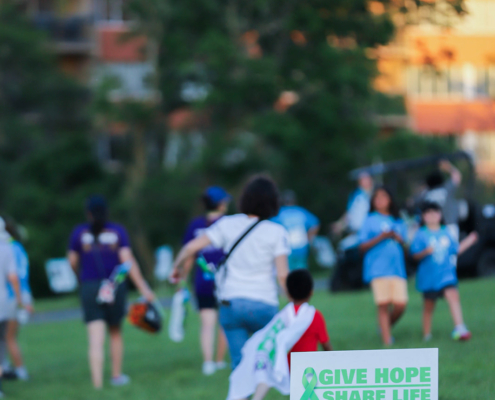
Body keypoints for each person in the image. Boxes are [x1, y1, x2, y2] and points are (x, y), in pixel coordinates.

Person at [171, 175, 291, 369]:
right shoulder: (277, 232)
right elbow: (283, 275)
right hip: (264, 303)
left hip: (231, 304)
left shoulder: (228, 224)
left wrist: (176, 268)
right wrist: (294, 303)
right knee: (270, 364)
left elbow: (190, 248)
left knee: (241, 368)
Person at [68, 196, 156, 389]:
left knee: (95, 337)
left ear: (88, 213)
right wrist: (143, 287)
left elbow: (72, 261)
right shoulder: (118, 231)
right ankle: (116, 376)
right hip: (114, 286)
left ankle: (97, 384)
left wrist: (80, 278)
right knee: (115, 332)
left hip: (89, 287)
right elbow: (127, 261)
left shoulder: (79, 233)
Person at [227, 269, 331, 400]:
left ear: (288, 293)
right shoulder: (314, 316)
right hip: (309, 369)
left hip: (288, 369)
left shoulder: (283, 317)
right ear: (311, 292)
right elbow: (326, 344)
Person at [179, 187, 230, 376]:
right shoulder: (228, 223)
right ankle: (219, 361)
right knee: (224, 322)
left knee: (207, 324)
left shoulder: (195, 225)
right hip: (225, 281)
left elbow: (189, 255)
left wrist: (182, 279)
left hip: (202, 282)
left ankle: (208, 363)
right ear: (221, 203)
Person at [410, 202, 477, 342]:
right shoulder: (421, 234)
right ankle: (427, 335)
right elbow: (414, 255)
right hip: (429, 278)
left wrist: (469, 240)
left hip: (446, 275)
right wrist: (425, 252)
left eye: (435, 213)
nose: (432, 216)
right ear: (423, 217)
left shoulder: (445, 231)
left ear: (440, 215)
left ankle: (459, 327)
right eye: (428, 213)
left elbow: (455, 250)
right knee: (429, 306)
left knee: (453, 296)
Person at [359, 187, 408, 346]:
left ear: (390, 199)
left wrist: (398, 238)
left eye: (383, 196)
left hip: (397, 269)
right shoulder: (369, 220)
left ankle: (384, 326)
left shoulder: (398, 220)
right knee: (383, 304)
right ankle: (387, 341)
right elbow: (362, 246)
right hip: (377, 269)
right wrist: (381, 237)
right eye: (376, 197)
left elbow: (406, 244)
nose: (379, 200)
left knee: (401, 305)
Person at [2, 219, 33, 381]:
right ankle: (8, 367)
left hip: (10, 295)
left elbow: (13, 276)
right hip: (21, 293)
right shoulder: (17, 247)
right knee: (8, 336)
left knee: (8, 337)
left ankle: (18, 370)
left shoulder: (6, 248)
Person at [0, 218, 26, 398]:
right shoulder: (8, 248)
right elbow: (14, 277)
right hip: (5, 301)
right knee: (6, 340)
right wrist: (19, 299)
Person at [272, 190, 320, 271]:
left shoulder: (280, 213)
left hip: (286, 249)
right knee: (302, 275)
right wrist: (309, 238)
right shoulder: (301, 212)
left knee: (288, 276)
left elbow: (270, 227)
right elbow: (315, 223)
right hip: (302, 248)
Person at [421, 160, 462, 242]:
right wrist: (449, 167)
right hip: (450, 225)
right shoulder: (446, 188)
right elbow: (457, 177)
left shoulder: (426, 194)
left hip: (433, 228)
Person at [332, 172, 374, 236]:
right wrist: (340, 224)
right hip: (355, 232)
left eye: (366, 179)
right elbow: (349, 213)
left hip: (369, 232)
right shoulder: (355, 195)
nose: (364, 181)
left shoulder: (375, 195)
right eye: (362, 180)